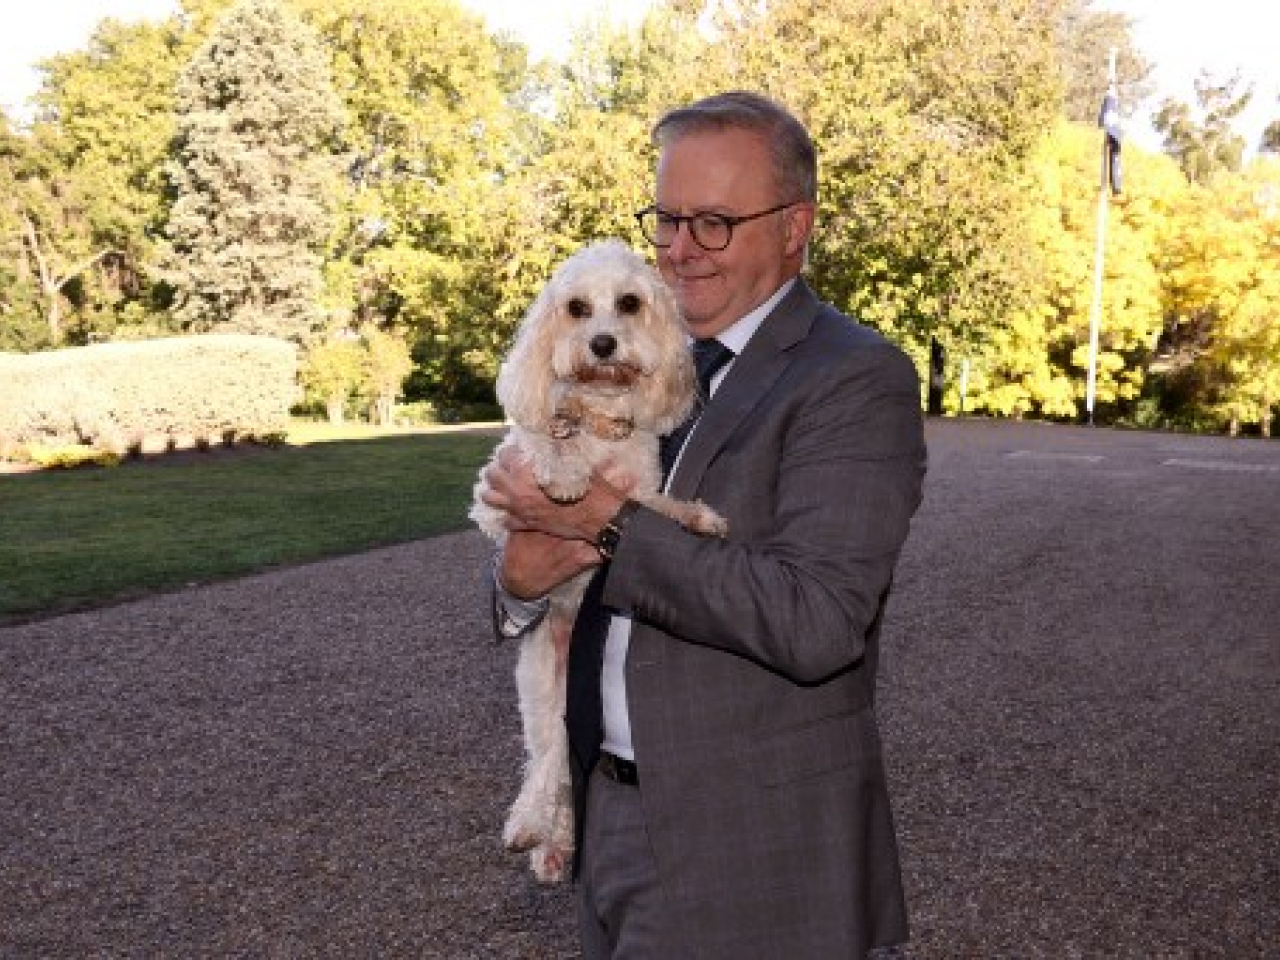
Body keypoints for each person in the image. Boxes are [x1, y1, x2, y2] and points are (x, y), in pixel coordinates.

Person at [480, 90, 926, 958]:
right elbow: (530, 542)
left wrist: (606, 520)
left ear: (794, 227)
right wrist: (515, 583)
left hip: (749, 851)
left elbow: (818, 620)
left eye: (714, 223)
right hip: (607, 816)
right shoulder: (639, 350)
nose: (681, 251)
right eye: (668, 219)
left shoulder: (855, 378)